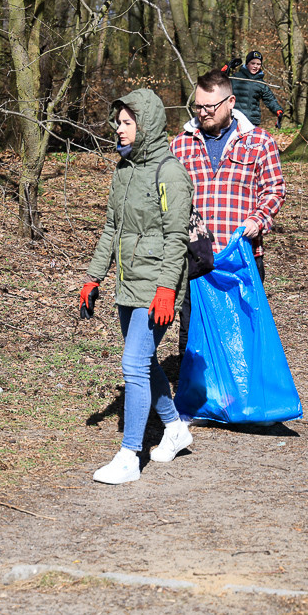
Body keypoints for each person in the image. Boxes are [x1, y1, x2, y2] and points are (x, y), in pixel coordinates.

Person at [81, 89, 196, 485]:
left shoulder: (170, 173)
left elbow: (177, 237)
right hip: (128, 283)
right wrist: (94, 277)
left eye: (128, 122)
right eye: (119, 122)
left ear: (145, 125)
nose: (120, 128)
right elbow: (112, 228)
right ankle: (175, 427)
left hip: (158, 286)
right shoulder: (124, 171)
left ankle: (130, 455)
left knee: (132, 365)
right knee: (144, 362)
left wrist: (166, 289)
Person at [171, 69, 287, 352]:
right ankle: (196, 394)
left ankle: (241, 394)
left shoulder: (259, 141)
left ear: (231, 102)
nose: (204, 113)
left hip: (241, 257)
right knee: (193, 336)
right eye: (199, 106)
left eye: (210, 106)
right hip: (194, 260)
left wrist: (258, 220)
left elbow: (274, 190)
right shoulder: (179, 145)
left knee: (242, 337)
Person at [227, 50, 284, 129]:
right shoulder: (234, 78)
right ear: (247, 64)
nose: (255, 66)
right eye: (252, 63)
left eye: (258, 64)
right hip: (234, 119)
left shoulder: (261, 83)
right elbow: (220, 89)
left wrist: (278, 111)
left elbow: (270, 99)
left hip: (251, 121)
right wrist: (225, 72)